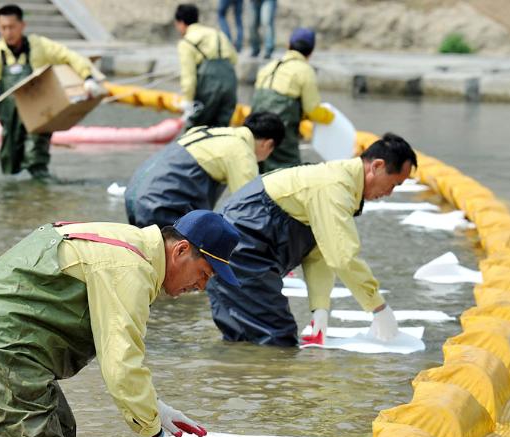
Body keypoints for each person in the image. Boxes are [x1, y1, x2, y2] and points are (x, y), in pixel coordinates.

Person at [0, 210, 241, 437]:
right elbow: (121, 360)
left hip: (5, 331)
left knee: (62, 435)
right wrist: (155, 435)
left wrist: (154, 407)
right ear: (180, 250)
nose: (201, 287)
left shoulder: (132, 245)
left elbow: (118, 352)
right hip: (3, 337)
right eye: (204, 273)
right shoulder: (131, 268)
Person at [206, 133, 418, 347]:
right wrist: (378, 307)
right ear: (377, 166)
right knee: (277, 342)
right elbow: (343, 257)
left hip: (235, 253)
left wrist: (320, 309)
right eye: (394, 184)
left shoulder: (335, 181)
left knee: (244, 344)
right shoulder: (334, 187)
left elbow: (320, 253)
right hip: (239, 255)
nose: (390, 193)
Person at [0, 4, 103, 179]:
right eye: (3, 28)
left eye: (12, 27)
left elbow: (70, 56)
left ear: (22, 26)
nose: (8, 32)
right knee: (10, 161)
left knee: (35, 156)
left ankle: (38, 196)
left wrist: (88, 77)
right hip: (9, 116)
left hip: (38, 112)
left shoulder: (39, 45)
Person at [125, 111, 285, 228]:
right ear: (268, 144)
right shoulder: (241, 151)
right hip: (161, 204)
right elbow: (249, 204)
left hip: (134, 196)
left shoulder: (207, 131)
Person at [251, 27, 331, 171]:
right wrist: (329, 116)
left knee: (258, 164)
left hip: (256, 124)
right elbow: (312, 109)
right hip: (281, 125)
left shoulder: (269, 66)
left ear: (288, 45)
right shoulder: (305, 70)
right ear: (311, 52)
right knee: (288, 169)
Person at [175, 3, 238, 129]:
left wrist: (187, 101)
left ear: (181, 23)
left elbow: (189, 77)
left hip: (208, 85)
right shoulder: (217, 34)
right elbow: (234, 58)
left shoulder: (186, 42)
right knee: (221, 130)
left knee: (196, 130)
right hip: (230, 81)